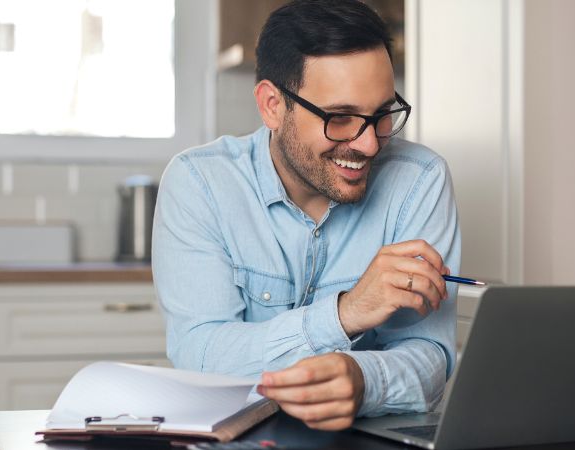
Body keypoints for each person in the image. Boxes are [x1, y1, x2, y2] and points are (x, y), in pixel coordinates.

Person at [152, 0, 459, 431]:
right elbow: (199, 356)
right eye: (341, 117)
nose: (369, 144)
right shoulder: (199, 182)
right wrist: (345, 314)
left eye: (382, 114)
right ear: (272, 105)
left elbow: (430, 355)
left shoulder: (420, 181)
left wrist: (363, 381)